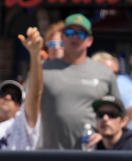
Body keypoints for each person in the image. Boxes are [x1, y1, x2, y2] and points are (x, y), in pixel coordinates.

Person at [39, 13, 121, 149]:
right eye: (70, 32)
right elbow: (26, 110)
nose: (75, 37)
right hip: (51, 153)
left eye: (81, 34)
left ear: (90, 40)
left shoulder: (105, 73)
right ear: (62, 37)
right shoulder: (43, 70)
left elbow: (119, 114)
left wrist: (104, 134)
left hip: (91, 153)